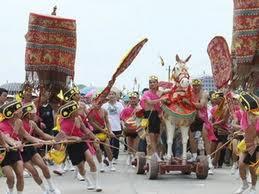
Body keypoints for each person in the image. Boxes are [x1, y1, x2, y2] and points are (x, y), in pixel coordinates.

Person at [58, 100, 102, 192]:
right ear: (71, 112)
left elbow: (85, 129)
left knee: (91, 160)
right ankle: (88, 181)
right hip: (72, 146)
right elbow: (64, 137)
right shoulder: (63, 123)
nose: (79, 110)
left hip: (82, 142)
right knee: (81, 167)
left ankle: (97, 184)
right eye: (76, 109)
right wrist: (74, 138)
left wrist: (94, 137)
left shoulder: (78, 118)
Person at [18, 102, 60, 194]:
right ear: (28, 114)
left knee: (44, 167)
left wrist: (55, 139)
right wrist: (40, 142)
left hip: (31, 148)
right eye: (33, 113)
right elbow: (27, 138)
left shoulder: (32, 123)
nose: (35, 114)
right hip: (21, 151)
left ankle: (52, 188)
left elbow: (43, 134)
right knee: (34, 172)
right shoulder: (19, 124)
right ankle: (44, 190)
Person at [189, 79, 216, 174]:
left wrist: (188, 102)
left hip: (203, 119)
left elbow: (201, 105)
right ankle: (194, 156)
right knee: (191, 137)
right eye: (194, 86)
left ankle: (209, 162)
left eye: (197, 86)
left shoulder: (204, 94)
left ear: (201, 86)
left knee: (206, 139)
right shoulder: (190, 93)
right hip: (192, 119)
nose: (195, 87)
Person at [234, 92, 259, 194]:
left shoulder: (257, 116)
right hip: (246, 142)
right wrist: (240, 132)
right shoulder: (244, 114)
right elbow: (245, 128)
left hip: (256, 143)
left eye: (240, 102)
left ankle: (253, 188)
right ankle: (244, 184)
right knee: (241, 164)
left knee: (253, 167)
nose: (239, 104)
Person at [0, 100, 24, 194]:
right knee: (10, 177)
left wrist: (41, 140)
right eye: (20, 110)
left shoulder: (18, 122)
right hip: (3, 152)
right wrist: (13, 143)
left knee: (20, 175)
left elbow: (26, 135)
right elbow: (5, 138)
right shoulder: (2, 124)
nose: (22, 111)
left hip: (14, 151)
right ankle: (10, 192)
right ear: (13, 112)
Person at [140, 75, 166, 160]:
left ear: (157, 83)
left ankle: (158, 154)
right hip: (149, 115)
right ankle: (155, 155)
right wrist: (160, 99)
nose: (152, 84)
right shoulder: (146, 93)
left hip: (158, 116)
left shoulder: (160, 93)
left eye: (154, 82)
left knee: (157, 137)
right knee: (151, 137)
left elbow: (167, 95)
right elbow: (150, 102)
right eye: (150, 82)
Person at [88, 102, 116, 172]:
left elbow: (107, 122)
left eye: (100, 103)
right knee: (97, 149)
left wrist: (110, 131)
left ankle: (111, 164)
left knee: (108, 148)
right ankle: (101, 166)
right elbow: (91, 123)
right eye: (97, 103)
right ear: (93, 102)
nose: (99, 104)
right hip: (94, 133)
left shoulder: (104, 111)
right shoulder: (89, 111)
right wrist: (103, 130)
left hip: (104, 132)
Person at [102, 89, 124, 163]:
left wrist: (123, 125)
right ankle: (106, 157)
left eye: (113, 94)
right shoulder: (104, 106)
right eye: (110, 94)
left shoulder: (120, 105)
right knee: (108, 143)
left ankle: (115, 157)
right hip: (107, 127)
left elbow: (122, 116)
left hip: (117, 126)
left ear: (116, 95)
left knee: (116, 143)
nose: (111, 95)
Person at [120, 92, 141, 165]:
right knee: (129, 146)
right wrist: (125, 126)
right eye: (131, 99)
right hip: (129, 130)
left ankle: (134, 160)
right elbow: (123, 119)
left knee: (136, 147)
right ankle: (129, 157)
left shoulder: (140, 109)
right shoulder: (126, 110)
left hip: (137, 130)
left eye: (134, 99)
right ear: (129, 100)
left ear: (138, 99)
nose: (133, 100)